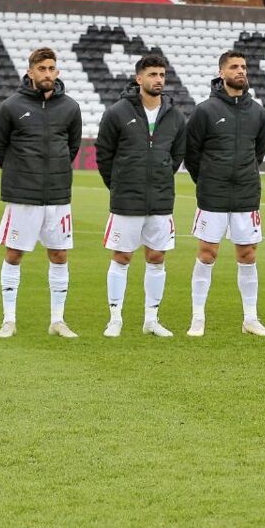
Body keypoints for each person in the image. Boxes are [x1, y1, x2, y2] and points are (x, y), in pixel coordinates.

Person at [0, 48, 83, 340]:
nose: (47, 73)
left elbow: (72, 147)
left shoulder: (70, 107)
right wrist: (22, 172)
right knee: (15, 254)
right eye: (41, 68)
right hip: (23, 195)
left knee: (59, 254)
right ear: (30, 72)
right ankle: (8, 320)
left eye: (52, 68)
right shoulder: (11, 106)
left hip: (57, 196)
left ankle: (57, 320)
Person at [95, 55, 188, 338]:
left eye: (162, 74)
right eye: (152, 74)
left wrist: (158, 178)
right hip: (127, 200)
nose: (158, 79)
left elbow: (176, 156)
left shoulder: (175, 116)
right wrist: (120, 184)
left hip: (160, 201)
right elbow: (104, 155)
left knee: (157, 257)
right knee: (122, 256)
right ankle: (115, 319)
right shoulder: (118, 112)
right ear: (139, 79)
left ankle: (151, 319)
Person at [184, 51, 265, 337]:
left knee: (247, 254)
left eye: (244, 67)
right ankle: (197, 318)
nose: (240, 71)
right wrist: (208, 179)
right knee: (208, 253)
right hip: (213, 195)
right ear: (221, 73)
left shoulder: (257, 112)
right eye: (234, 67)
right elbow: (191, 154)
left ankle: (250, 319)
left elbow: (258, 151)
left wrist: (243, 174)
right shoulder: (204, 110)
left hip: (246, 194)